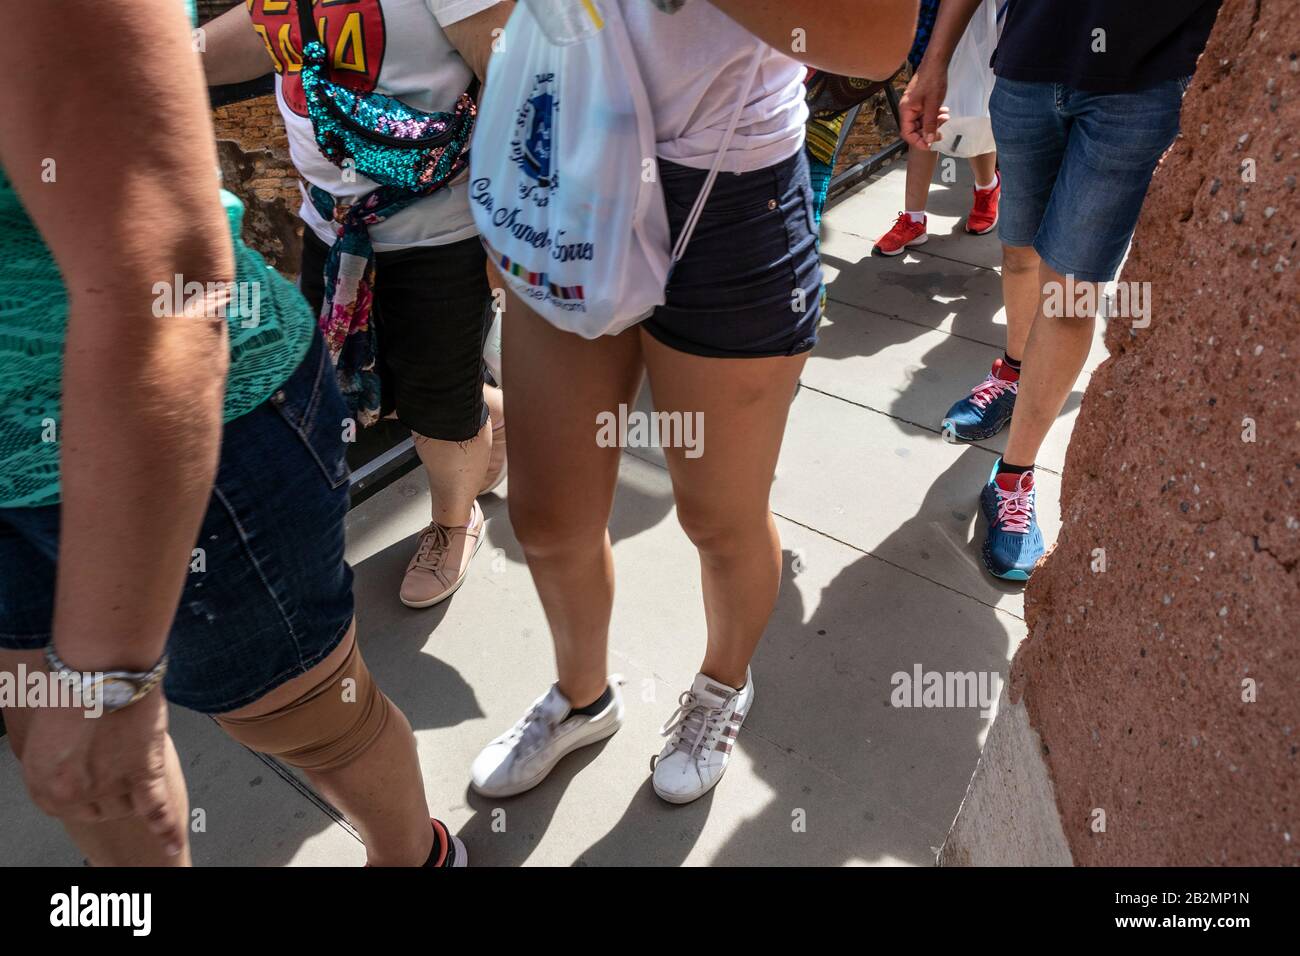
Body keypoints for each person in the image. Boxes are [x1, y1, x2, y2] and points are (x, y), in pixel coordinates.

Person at [0, 0, 461, 867]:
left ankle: (420, 856)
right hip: (13, 471)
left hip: (176, 435)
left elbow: (167, 295)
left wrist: (105, 676)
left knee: (309, 720)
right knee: (66, 764)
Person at [469, 0, 918, 806]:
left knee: (719, 516)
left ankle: (722, 687)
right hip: (570, 151)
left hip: (731, 194)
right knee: (546, 516)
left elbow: (879, 39)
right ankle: (582, 698)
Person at [203, 0, 513, 609]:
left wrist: (507, 238)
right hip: (330, 229)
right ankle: (492, 418)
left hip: (438, 239)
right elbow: (268, 27)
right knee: (367, 380)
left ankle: (454, 520)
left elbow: (520, 88)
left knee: (438, 409)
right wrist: (158, 59)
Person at [904, 0, 1223, 580]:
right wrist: (934, 63)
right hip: (1028, 65)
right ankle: (1012, 370)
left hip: (1144, 81)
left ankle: (1013, 476)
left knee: (1072, 289)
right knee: (1020, 251)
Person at [874, 0, 999, 257]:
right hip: (934, 17)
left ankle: (987, 188)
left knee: (973, 108)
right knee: (923, 110)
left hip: (985, 20)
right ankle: (914, 219)